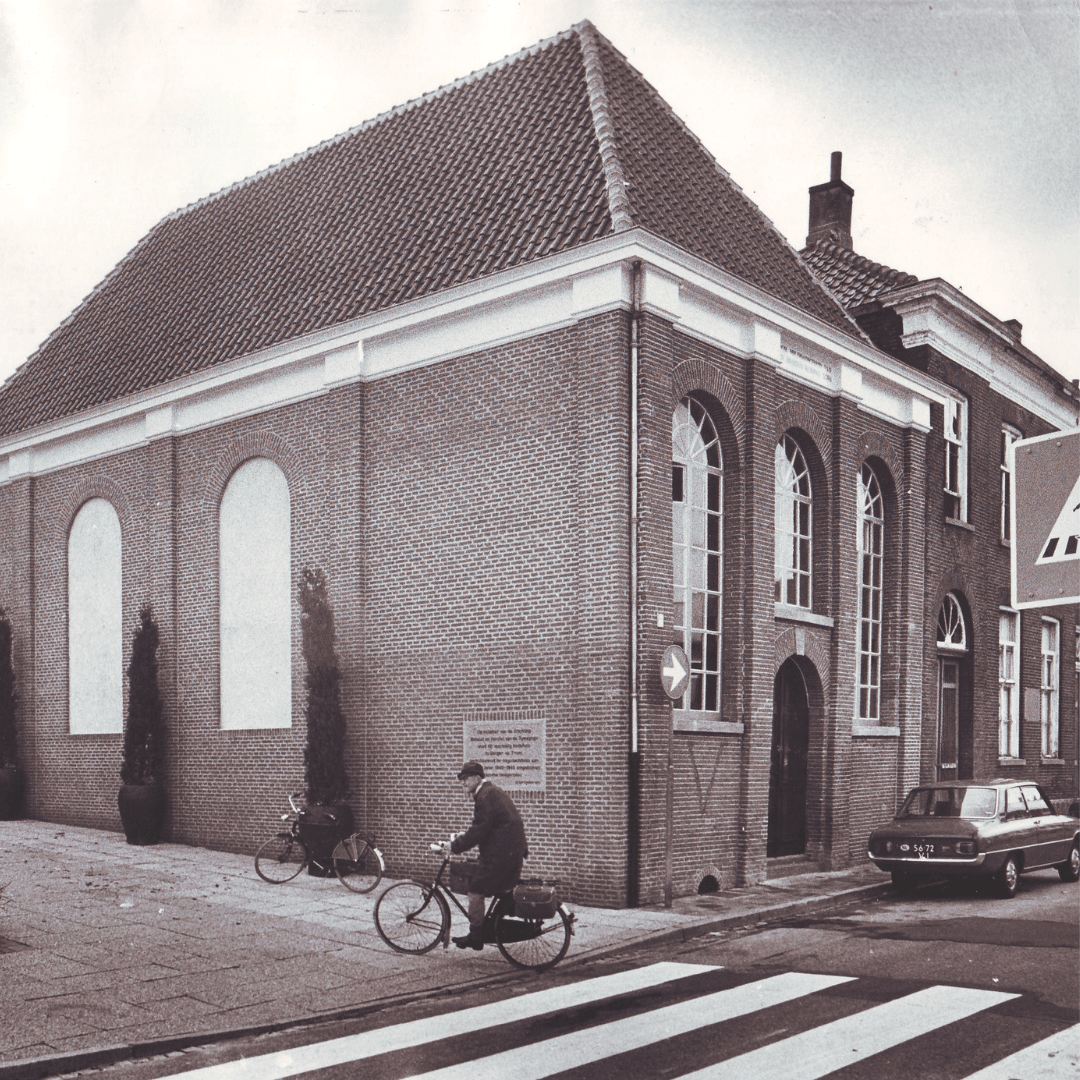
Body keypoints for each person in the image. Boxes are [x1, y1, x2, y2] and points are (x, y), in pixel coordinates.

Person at [448, 760, 528, 950]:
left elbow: (479, 831)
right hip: (510, 853)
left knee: (475, 891)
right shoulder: (491, 792)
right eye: (462, 779)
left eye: (466, 779)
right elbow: (488, 827)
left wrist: (455, 846)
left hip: (501, 857)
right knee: (498, 890)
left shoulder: (485, 796)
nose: (463, 783)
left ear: (477, 778)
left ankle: (476, 936)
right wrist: (463, 838)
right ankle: (497, 922)